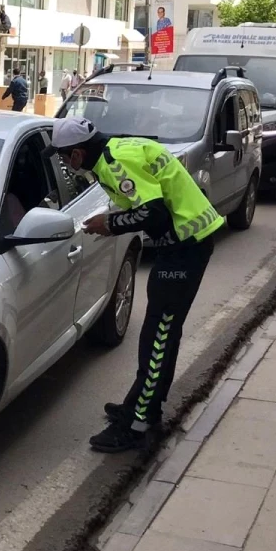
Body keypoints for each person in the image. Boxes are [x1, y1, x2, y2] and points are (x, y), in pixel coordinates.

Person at [50, 116, 223, 453]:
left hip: (186, 248)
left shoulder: (114, 164)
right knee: (164, 334)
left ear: (76, 156)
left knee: (158, 337)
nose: (64, 166)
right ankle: (142, 405)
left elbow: (154, 215)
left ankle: (137, 425)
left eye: (62, 157)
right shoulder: (117, 150)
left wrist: (110, 223)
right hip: (186, 243)